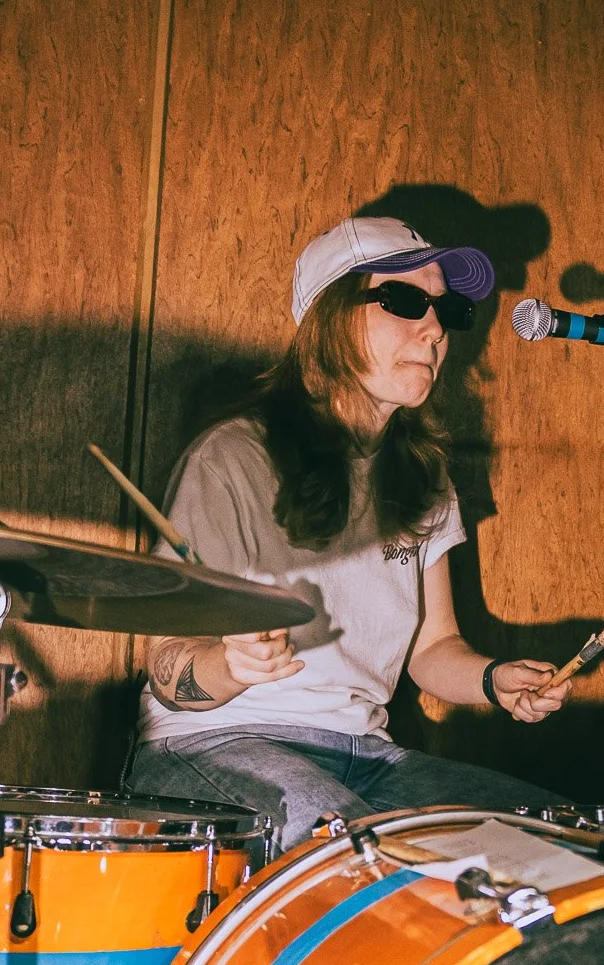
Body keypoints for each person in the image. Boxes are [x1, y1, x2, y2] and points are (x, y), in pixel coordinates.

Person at [124, 214, 572, 850]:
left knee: (559, 842)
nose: (436, 329)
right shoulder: (234, 458)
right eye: (405, 301)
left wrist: (495, 680)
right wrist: (231, 664)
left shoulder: (424, 474)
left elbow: (433, 649)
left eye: (445, 310)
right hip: (219, 741)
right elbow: (169, 664)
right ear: (330, 318)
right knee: (362, 861)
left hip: (368, 753)